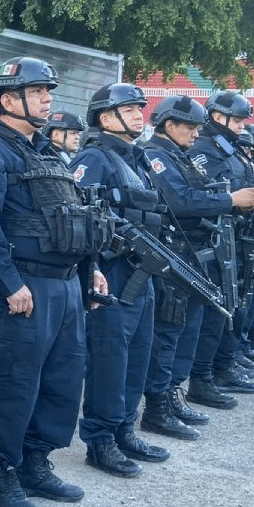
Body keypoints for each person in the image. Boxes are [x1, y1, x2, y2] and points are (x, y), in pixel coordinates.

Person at [0, 57, 107, 507]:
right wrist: (9, 284)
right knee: (13, 384)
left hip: (64, 288)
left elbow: (72, 221)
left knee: (61, 381)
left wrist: (90, 272)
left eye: (49, 91)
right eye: (38, 91)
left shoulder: (47, 153)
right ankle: (0, 476)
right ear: (9, 100)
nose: (48, 99)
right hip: (22, 290)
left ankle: (35, 463)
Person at [139, 95, 254, 440]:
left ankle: (172, 395)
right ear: (170, 126)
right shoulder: (155, 156)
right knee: (169, 333)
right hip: (174, 255)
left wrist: (233, 201)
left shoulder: (180, 156)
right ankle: (156, 408)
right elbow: (179, 202)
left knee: (188, 331)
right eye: (190, 127)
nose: (197, 134)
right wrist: (231, 200)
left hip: (196, 255)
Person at [71, 83, 174, 477]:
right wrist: (93, 266)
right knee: (109, 360)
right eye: (127, 109)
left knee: (137, 356)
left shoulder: (136, 158)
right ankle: (100, 440)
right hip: (111, 276)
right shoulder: (94, 158)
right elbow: (78, 212)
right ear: (104, 117)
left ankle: (124, 429)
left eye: (138, 108)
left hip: (141, 275)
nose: (137, 115)